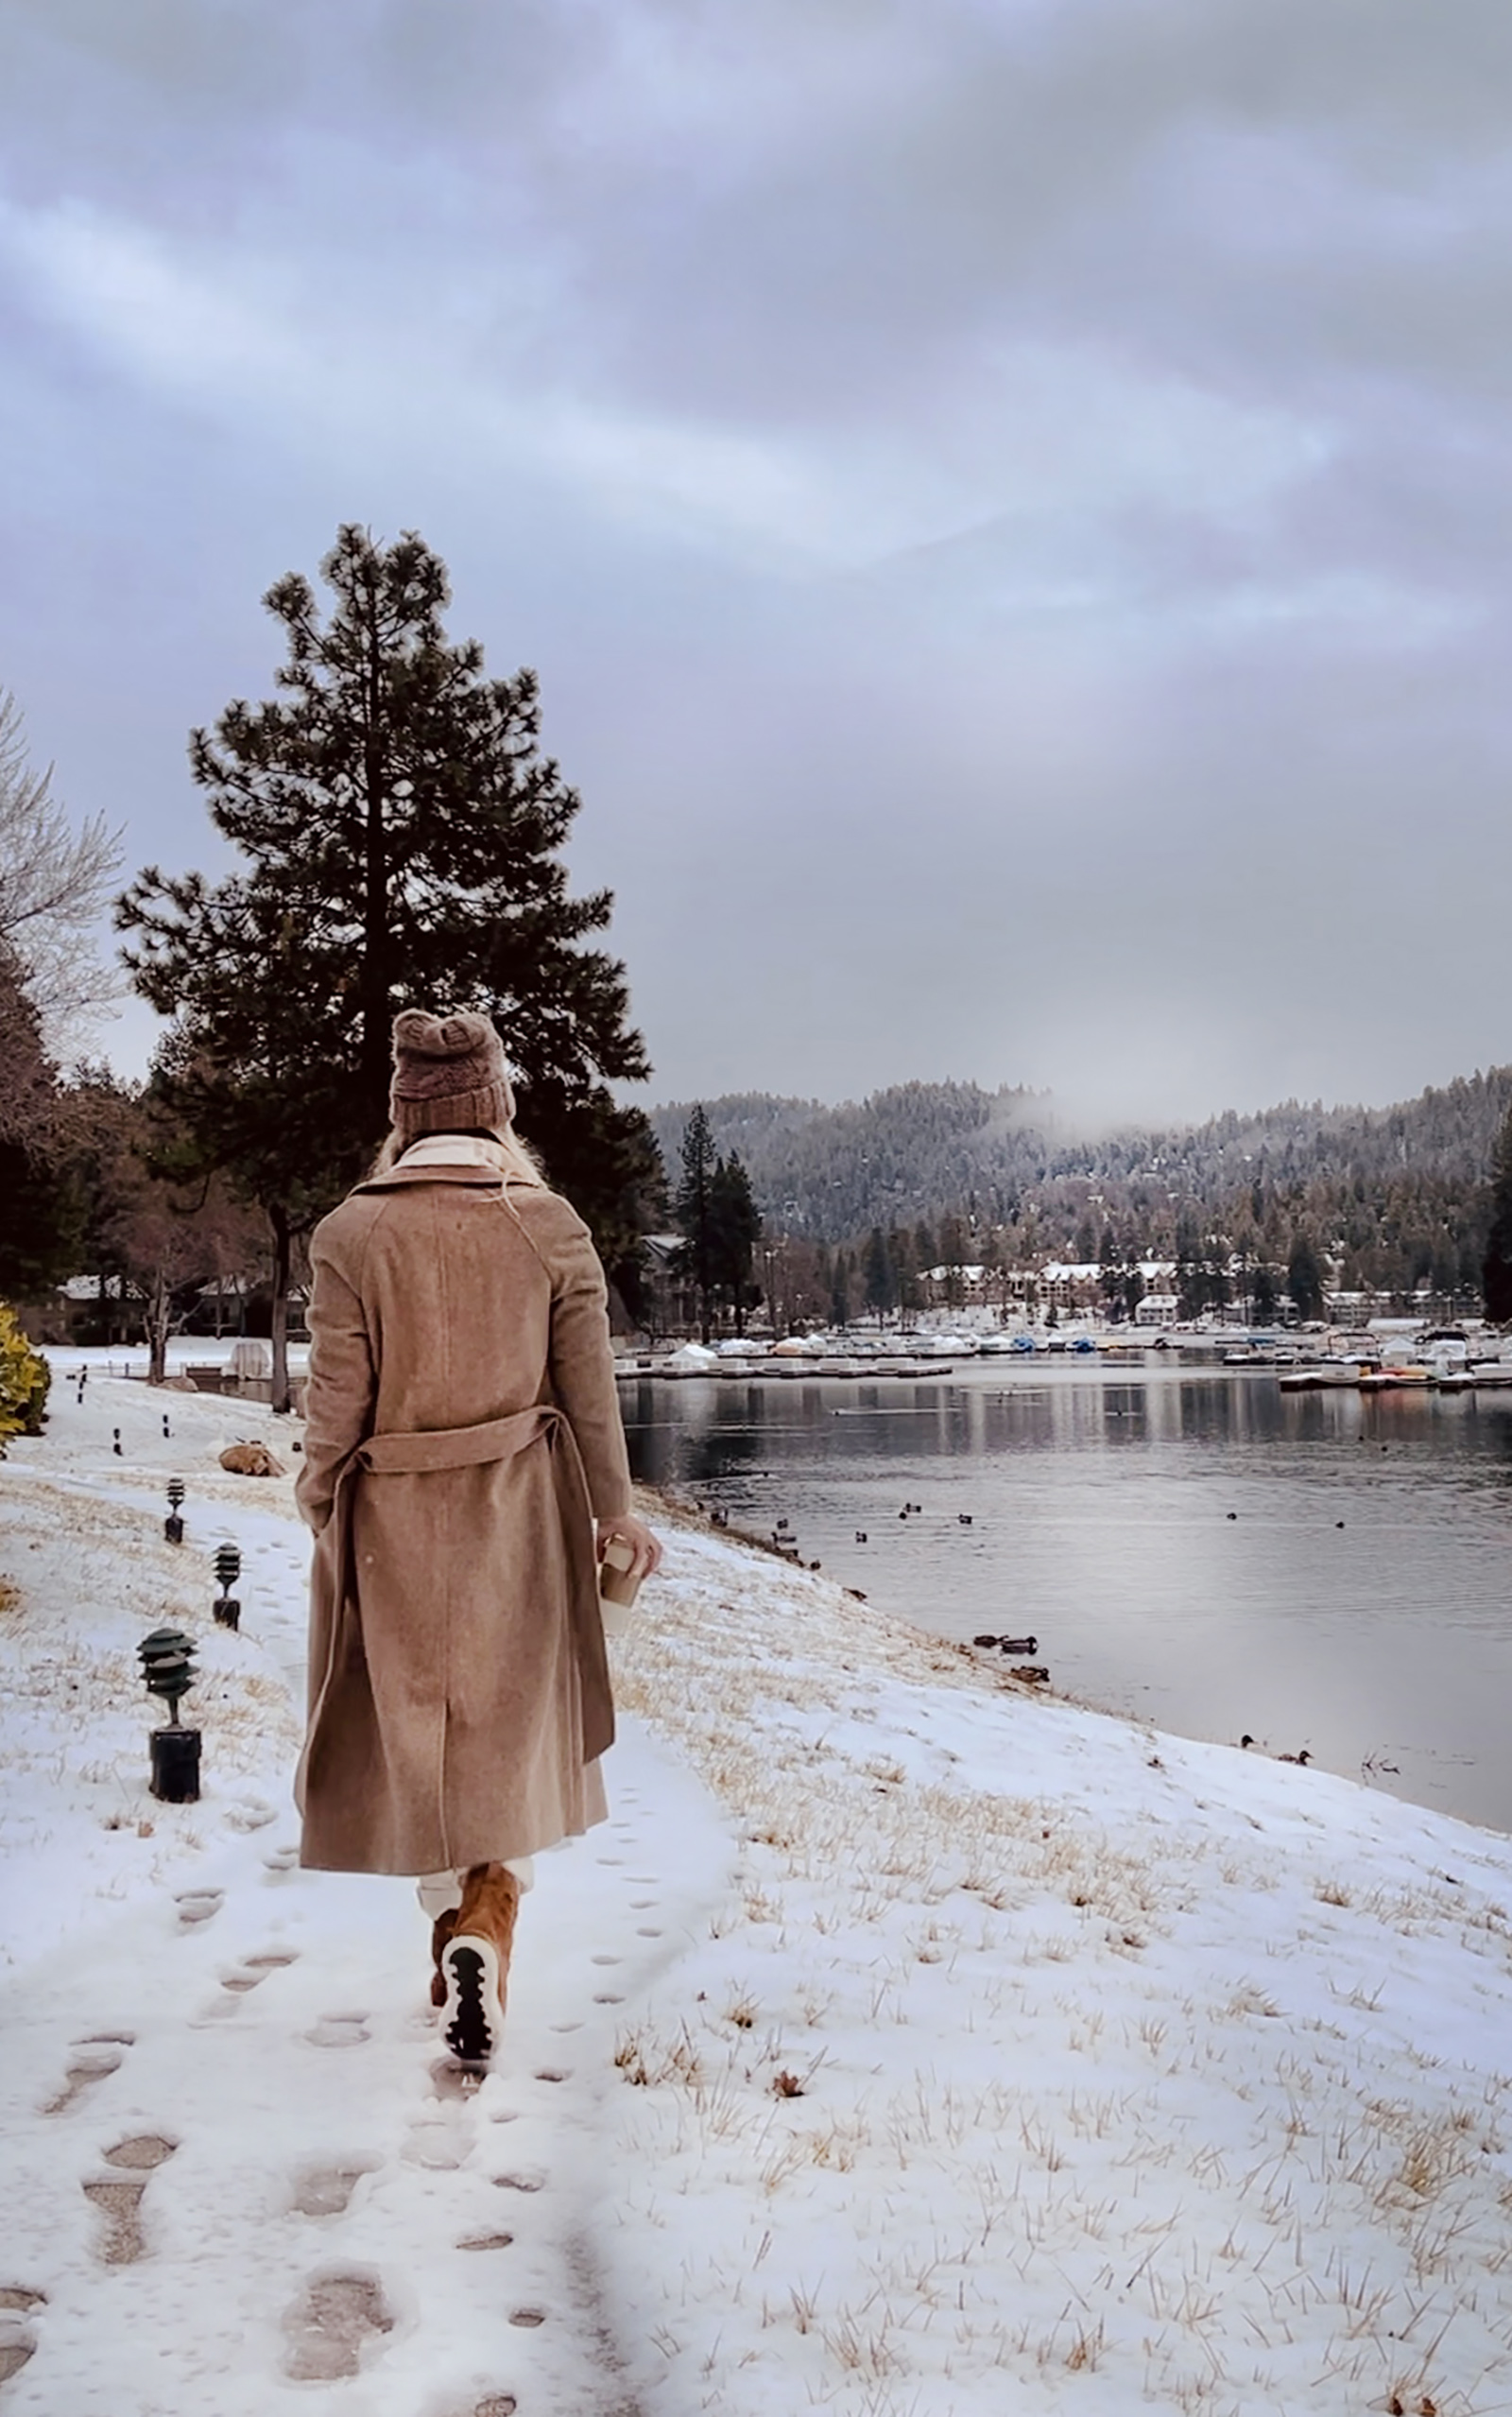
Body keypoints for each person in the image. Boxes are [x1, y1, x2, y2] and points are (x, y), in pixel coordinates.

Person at [293, 1007, 661, 2063]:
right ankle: (489, 1911)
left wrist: (322, 1498)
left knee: (418, 1730)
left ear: (403, 1118)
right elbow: (591, 1395)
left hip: (391, 1517)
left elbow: (336, 1400)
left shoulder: (351, 1232)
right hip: (522, 1511)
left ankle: (458, 1921)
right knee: (505, 1726)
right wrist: (615, 1513)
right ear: (497, 1110)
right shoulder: (547, 1223)